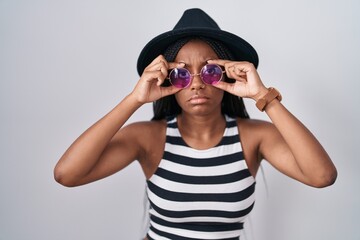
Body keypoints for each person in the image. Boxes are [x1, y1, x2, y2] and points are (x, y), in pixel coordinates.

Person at [54, 8, 337, 240]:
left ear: (227, 75)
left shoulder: (254, 137)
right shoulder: (149, 138)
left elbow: (322, 176)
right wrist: (134, 99)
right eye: (181, 73)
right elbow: (67, 175)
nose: (197, 84)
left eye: (210, 71)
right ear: (166, 80)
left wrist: (264, 96)